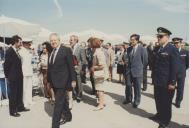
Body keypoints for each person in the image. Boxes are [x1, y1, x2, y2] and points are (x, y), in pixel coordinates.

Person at [149, 27, 180, 128]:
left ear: (167, 37)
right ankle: (159, 115)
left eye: (160, 36)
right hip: (158, 80)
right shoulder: (158, 48)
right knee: (158, 100)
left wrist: (172, 82)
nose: (158, 38)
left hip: (167, 82)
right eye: (157, 36)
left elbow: (175, 67)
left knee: (166, 103)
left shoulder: (172, 49)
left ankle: (165, 121)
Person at [47, 33, 76, 128]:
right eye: (51, 41)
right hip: (54, 82)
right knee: (62, 101)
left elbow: (71, 66)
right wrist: (48, 81)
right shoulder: (51, 51)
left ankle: (55, 125)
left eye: (55, 40)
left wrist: (73, 80)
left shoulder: (66, 50)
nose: (53, 42)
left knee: (58, 103)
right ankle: (68, 116)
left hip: (63, 81)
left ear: (59, 40)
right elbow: (50, 68)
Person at [4, 35, 29, 117]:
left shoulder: (17, 51)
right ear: (15, 42)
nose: (21, 43)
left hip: (19, 76)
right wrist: (7, 76)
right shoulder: (9, 51)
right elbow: (6, 65)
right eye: (20, 42)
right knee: (13, 94)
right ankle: (13, 111)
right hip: (13, 76)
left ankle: (20, 107)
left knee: (19, 92)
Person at [123, 34, 148, 108]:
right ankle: (128, 99)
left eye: (133, 40)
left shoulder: (142, 49)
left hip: (137, 71)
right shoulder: (129, 49)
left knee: (137, 87)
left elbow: (145, 61)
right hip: (128, 71)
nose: (131, 41)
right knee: (128, 85)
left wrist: (140, 69)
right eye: (131, 40)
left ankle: (136, 101)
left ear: (137, 40)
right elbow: (127, 58)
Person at [91, 37, 109, 110]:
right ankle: (102, 102)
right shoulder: (98, 51)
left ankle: (100, 105)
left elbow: (101, 65)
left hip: (100, 74)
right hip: (100, 73)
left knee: (100, 89)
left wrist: (93, 67)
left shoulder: (98, 52)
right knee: (101, 89)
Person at [172, 37, 189, 108]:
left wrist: (183, 69)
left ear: (181, 43)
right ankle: (169, 99)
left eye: (177, 43)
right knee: (171, 87)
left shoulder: (186, 52)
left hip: (181, 73)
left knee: (180, 88)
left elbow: (188, 63)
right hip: (172, 73)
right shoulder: (172, 51)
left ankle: (178, 101)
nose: (176, 44)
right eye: (175, 43)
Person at [69, 35, 87, 102]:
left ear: (76, 40)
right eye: (70, 40)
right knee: (73, 83)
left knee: (79, 83)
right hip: (71, 69)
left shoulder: (81, 48)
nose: (70, 41)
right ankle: (74, 94)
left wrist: (80, 68)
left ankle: (79, 95)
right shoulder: (70, 48)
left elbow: (83, 60)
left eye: (71, 40)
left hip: (78, 69)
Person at [19, 38, 33, 109]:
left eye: (29, 43)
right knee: (24, 88)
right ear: (24, 44)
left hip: (29, 71)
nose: (29, 45)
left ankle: (29, 100)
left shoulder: (29, 51)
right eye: (28, 43)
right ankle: (24, 102)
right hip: (24, 71)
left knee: (29, 87)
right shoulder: (20, 51)